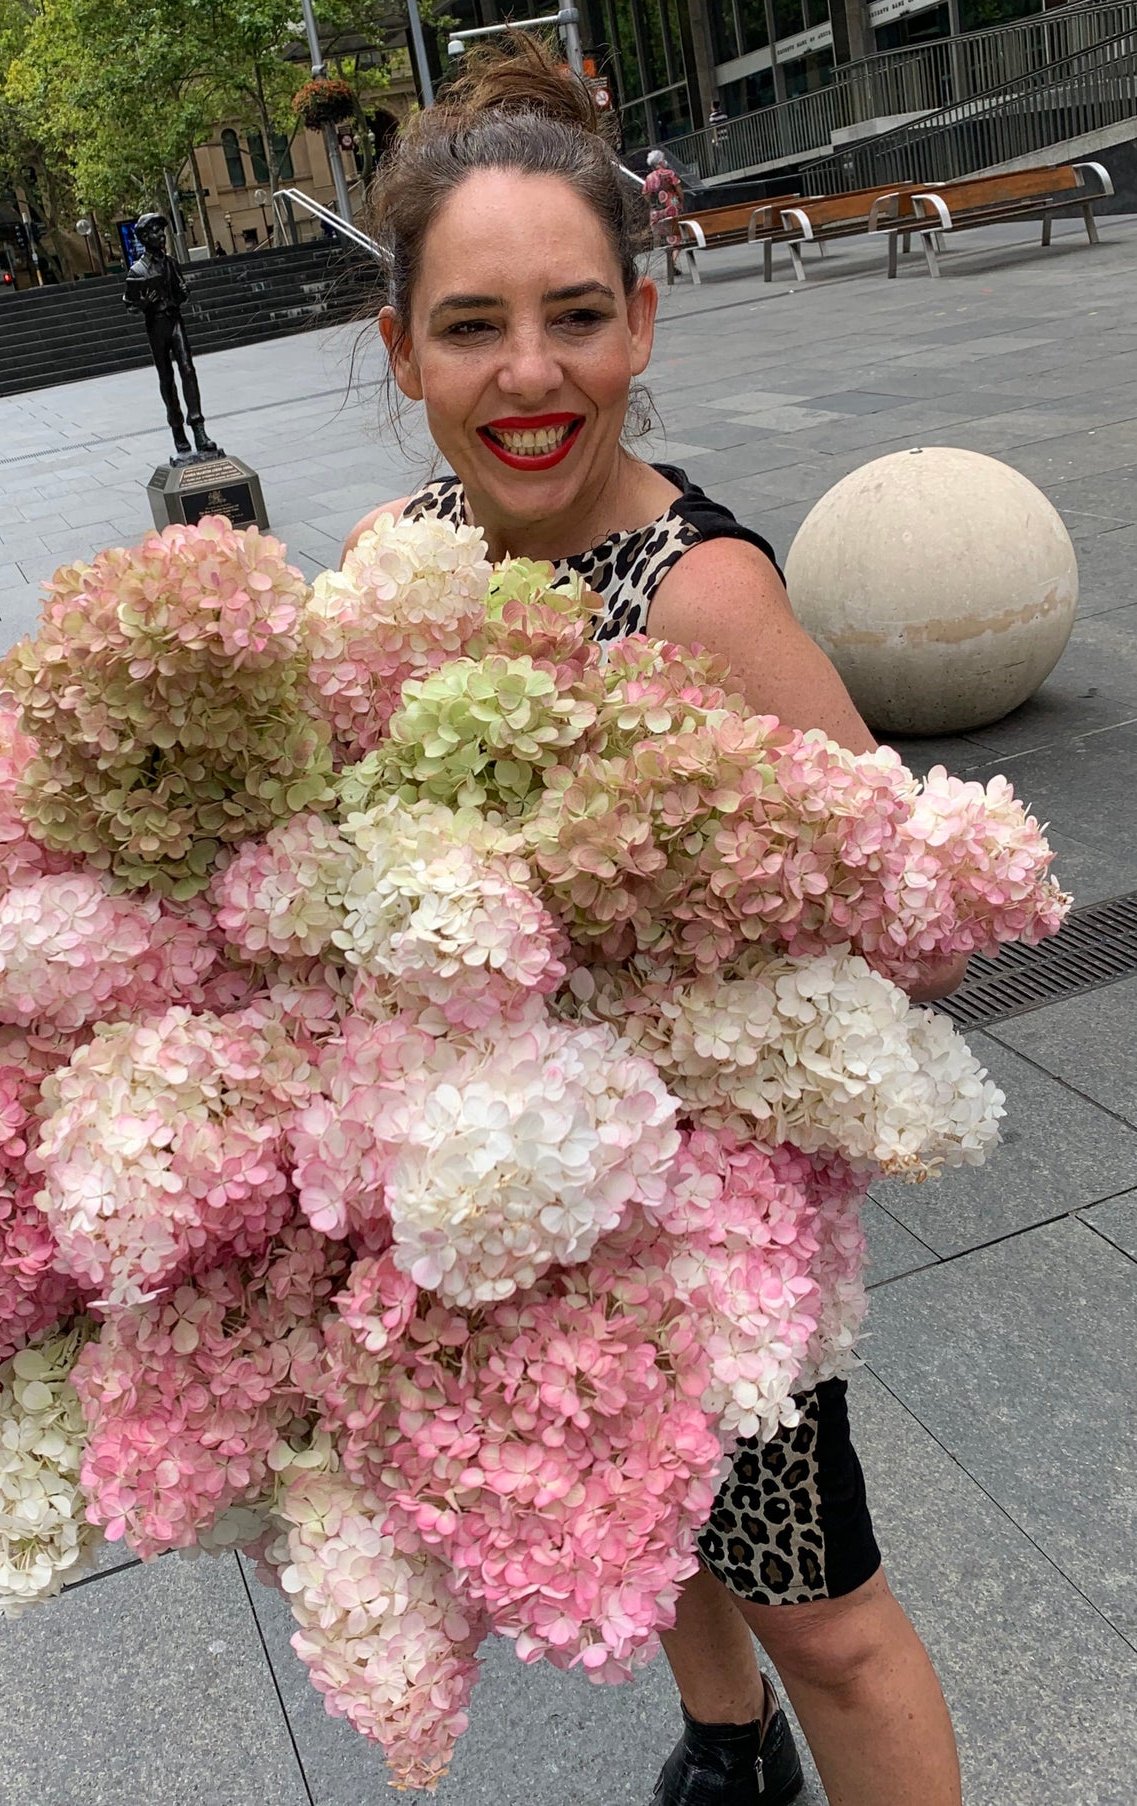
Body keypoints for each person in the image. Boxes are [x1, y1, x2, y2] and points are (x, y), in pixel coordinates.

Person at [342, 38, 966, 1806]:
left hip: (707, 1227)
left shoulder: (703, 600)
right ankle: (719, 1746)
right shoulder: (395, 555)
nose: (529, 376)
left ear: (642, 323)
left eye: (574, 317)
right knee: (633, 1508)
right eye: (470, 325)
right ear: (400, 351)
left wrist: (714, 927)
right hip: (505, 1193)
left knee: (824, 1611)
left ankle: (769, 1729)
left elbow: (923, 916)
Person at [121, 211, 219, 459]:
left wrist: (184, 291)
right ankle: (177, 431)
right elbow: (130, 305)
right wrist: (142, 303)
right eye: (154, 231)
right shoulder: (137, 270)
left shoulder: (170, 263)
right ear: (143, 237)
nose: (160, 235)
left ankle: (198, 428)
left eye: (161, 230)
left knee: (188, 369)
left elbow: (180, 290)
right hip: (156, 325)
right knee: (166, 377)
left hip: (175, 319)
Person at [642, 148, 684, 283]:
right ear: (660, 161)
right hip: (671, 206)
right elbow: (678, 188)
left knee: (666, 236)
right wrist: (680, 201)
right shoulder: (669, 173)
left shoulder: (649, 178)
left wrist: (651, 209)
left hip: (657, 211)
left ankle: (672, 262)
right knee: (678, 236)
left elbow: (645, 195)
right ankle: (672, 261)